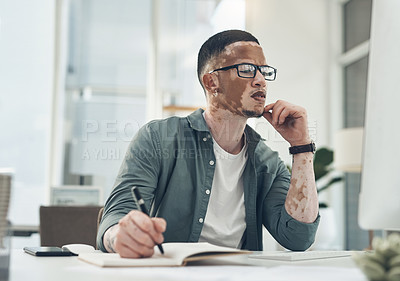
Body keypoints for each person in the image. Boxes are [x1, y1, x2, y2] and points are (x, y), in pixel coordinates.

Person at [97, 29, 320, 258]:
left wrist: (301, 146)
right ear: (211, 81)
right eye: (247, 69)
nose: (261, 80)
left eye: (264, 71)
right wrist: (121, 236)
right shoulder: (158, 138)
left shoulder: (268, 162)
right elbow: (114, 220)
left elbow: (298, 238)